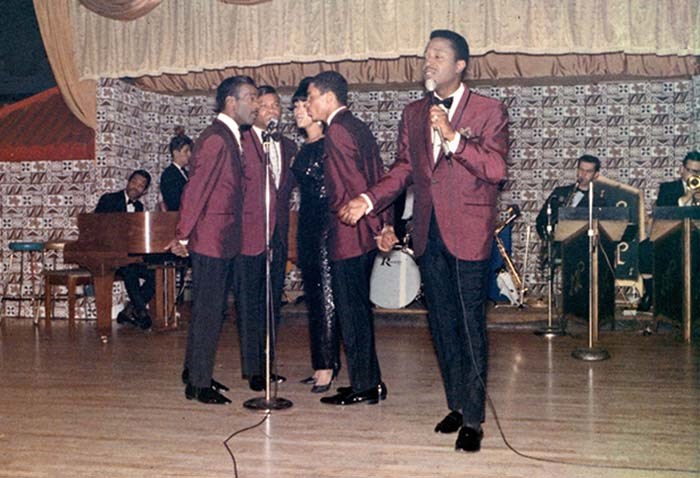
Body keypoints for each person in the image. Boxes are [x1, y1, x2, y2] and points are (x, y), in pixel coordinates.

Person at [339, 30, 509, 452]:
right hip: (429, 234)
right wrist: (367, 198)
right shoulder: (414, 112)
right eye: (426, 56)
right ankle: (456, 403)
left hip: (469, 235)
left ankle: (473, 418)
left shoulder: (489, 110)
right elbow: (403, 170)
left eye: (438, 56)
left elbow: (496, 169)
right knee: (442, 327)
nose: (428, 62)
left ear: (460, 65)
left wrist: (453, 137)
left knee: (470, 328)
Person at [165, 75, 259, 405]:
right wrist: (183, 236)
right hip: (212, 240)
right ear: (231, 103)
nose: (256, 104)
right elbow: (196, 190)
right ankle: (198, 384)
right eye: (251, 98)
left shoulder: (228, 136)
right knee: (208, 311)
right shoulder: (218, 138)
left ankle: (195, 372)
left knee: (211, 310)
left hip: (222, 239)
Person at [306, 71, 388, 406]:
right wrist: (382, 226)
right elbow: (377, 179)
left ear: (328, 98)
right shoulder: (357, 126)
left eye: (311, 96)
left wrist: (371, 226)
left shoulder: (336, 131)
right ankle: (371, 381)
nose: (308, 103)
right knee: (358, 311)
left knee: (351, 313)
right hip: (364, 235)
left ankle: (364, 387)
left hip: (348, 234)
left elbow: (353, 185)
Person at [236, 85, 297, 392]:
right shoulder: (241, 141)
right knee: (250, 304)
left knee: (272, 304)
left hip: (277, 236)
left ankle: (269, 364)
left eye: (277, 106)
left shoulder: (288, 146)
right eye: (267, 105)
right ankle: (254, 371)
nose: (274, 110)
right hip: (247, 237)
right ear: (254, 109)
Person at [289, 77, 341, 393]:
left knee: (326, 297)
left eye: (302, 104)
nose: (297, 110)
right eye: (294, 105)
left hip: (325, 226)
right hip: (307, 225)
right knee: (314, 297)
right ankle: (322, 362)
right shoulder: (304, 147)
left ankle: (326, 367)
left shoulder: (329, 143)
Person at [95, 169, 155, 330]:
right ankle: (141, 312)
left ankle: (129, 310)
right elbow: (96, 228)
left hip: (129, 257)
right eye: (135, 181)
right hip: (109, 257)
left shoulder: (139, 207)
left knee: (156, 274)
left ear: (145, 191)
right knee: (130, 270)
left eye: (142, 185)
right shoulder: (108, 199)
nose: (137, 186)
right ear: (128, 181)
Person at [535, 154, 605, 242]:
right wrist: (549, 239)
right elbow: (541, 219)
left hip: (581, 249)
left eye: (588, 171)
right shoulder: (559, 192)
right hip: (556, 248)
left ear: (596, 175)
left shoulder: (599, 200)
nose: (583, 174)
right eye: (581, 169)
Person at [159, 127, 193, 211]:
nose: (190, 154)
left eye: (190, 151)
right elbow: (174, 202)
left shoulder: (186, 172)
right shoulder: (169, 174)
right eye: (186, 151)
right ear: (176, 153)